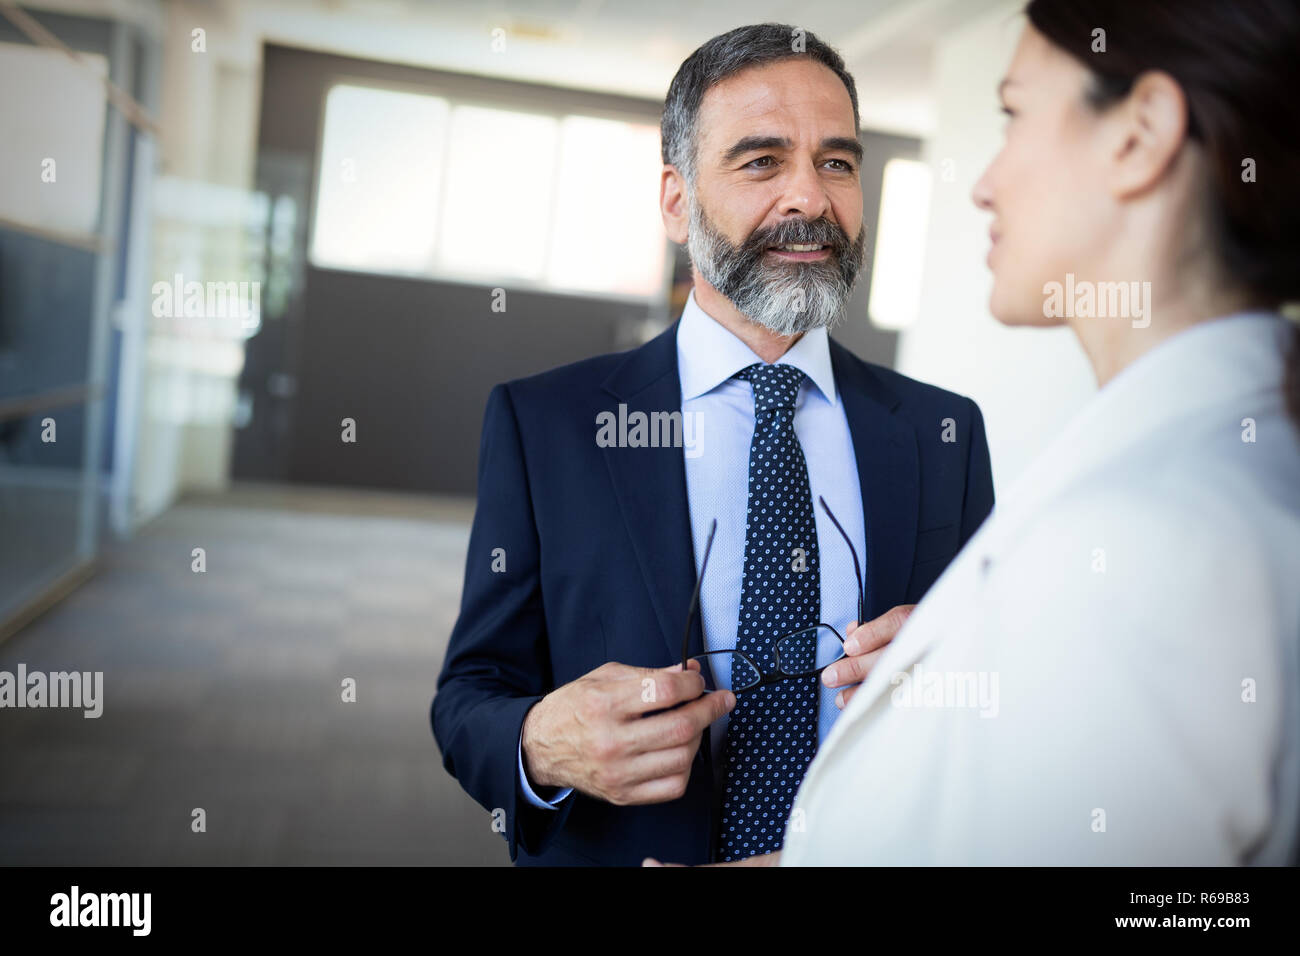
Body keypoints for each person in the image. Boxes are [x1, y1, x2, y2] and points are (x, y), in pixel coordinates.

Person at [650, 0, 1300, 867]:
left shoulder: (1162, 536)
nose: (984, 181)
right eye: (762, 160)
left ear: (1139, 135)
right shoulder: (1179, 474)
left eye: (1015, 116)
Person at [432, 23, 995, 866]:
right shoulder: (546, 423)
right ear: (676, 201)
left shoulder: (944, 433)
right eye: (763, 161)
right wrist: (542, 743)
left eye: (837, 162)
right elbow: (470, 697)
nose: (810, 199)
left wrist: (958, 687)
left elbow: (999, 696)